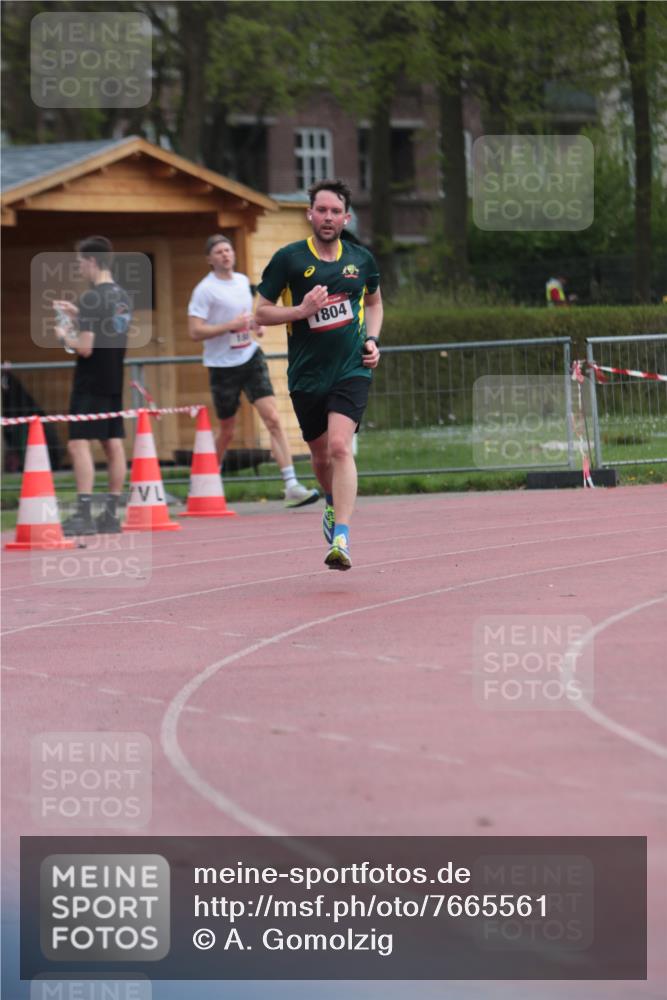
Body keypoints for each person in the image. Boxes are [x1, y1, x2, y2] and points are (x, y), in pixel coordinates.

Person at [255, 178, 383, 571]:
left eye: (335, 211)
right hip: (307, 375)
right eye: (321, 210)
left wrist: (374, 341)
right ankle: (331, 503)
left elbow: (375, 302)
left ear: (346, 217)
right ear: (310, 214)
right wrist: (300, 311)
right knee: (320, 455)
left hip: (351, 369)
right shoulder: (289, 259)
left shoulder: (361, 260)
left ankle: (341, 538)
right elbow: (260, 312)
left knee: (341, 447)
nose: (328, 217)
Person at [187, 235, 319, 509]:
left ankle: (291, 484)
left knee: (272, 418)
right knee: (227, 430)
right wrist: (229, 325)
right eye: (219, 252)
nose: (226, 255)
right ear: (209, 259)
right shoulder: (204, 290)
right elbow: (195, 331)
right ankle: (205, 481)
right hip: (222, 366)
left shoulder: (242, 282)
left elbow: (252, 318)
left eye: (228, 250)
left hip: (249, 356)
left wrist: (254, 327)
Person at [53, 236, 131, 535]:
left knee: (77, 443)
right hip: (114, 377)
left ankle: (83, 514)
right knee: (112, 444)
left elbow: (85, 347)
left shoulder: (91, 297)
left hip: (90, 380)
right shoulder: (122, 295)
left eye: (80, 263)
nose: (80, 268)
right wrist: (79, 314)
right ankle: (110, 514)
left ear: (92, 262)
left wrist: (63, 335)